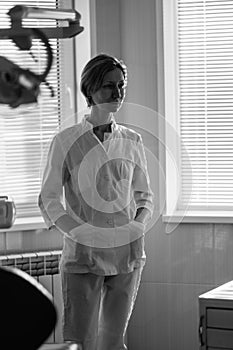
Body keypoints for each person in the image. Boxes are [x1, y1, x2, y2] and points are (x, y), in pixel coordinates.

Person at [38, 53, 154, 350]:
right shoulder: (65, 141)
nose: (117, 93)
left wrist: (138, 226)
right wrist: (79, 233)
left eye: (121, 85)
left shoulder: (132, 141)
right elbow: (49, 199)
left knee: (114, 342)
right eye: (108, 86)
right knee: (80, 343)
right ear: (90, 89)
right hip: (83, 256)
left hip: (126, 255)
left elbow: (145, 196)